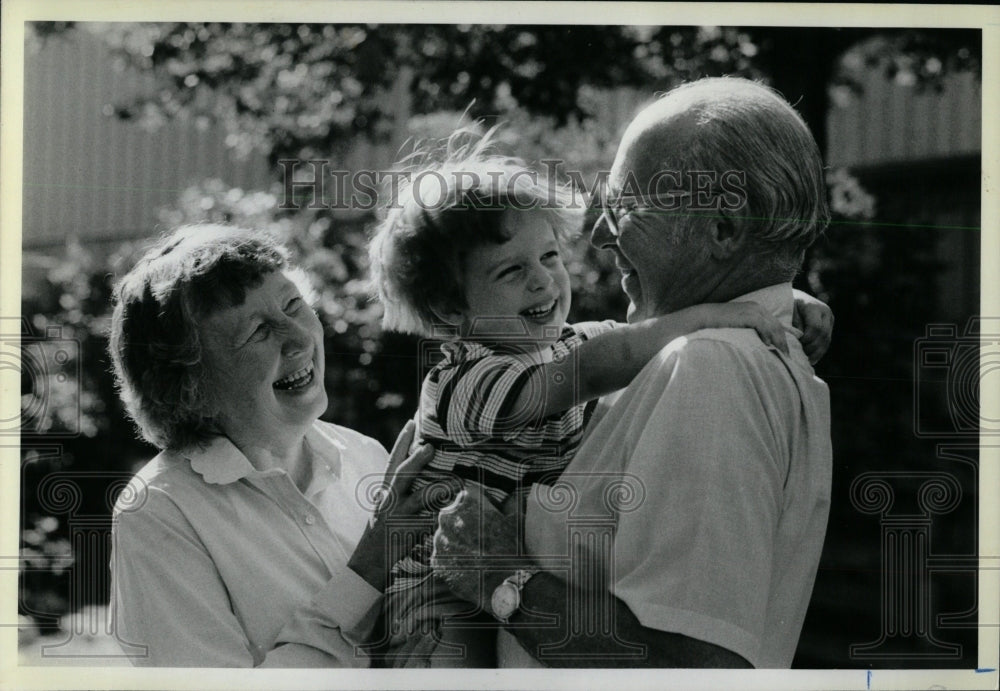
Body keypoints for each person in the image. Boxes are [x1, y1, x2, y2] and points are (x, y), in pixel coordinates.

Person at [369, 131, 834, 666]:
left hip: (477, 575)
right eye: (511, 271)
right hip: (431, 592)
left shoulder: (572, 345)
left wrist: (784, 300)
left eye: (548, 256)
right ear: (450, 309)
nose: (543, 282)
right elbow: (598, 366)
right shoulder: (465, 382)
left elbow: (638, 339)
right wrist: (718, 314)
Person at [107, 224, 435, 667]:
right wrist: (369, 571)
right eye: (258, 331)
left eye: (293, 305)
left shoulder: (367, 456)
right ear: (190, 387)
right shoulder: (159, 515)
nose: (298, 337)